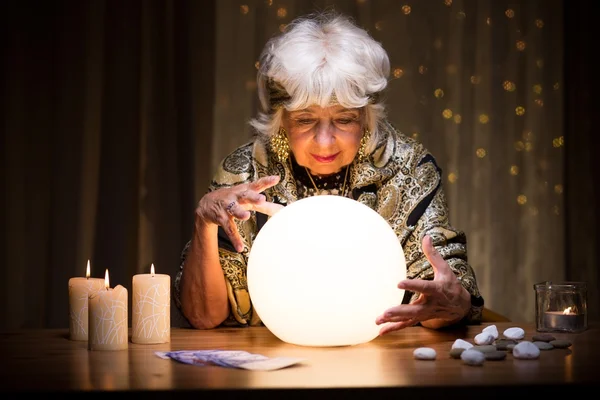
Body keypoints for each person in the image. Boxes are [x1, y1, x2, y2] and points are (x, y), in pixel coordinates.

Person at [173, 11, 484, 334]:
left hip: (385, 360)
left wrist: (453, 302)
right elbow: (203, 317)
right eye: (305, 120)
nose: (324, 141)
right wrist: (204, 224)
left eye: (344, 119)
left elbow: (444, 298)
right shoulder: (245, 175)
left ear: (366, 117)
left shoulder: (408, 169)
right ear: (282, 119)